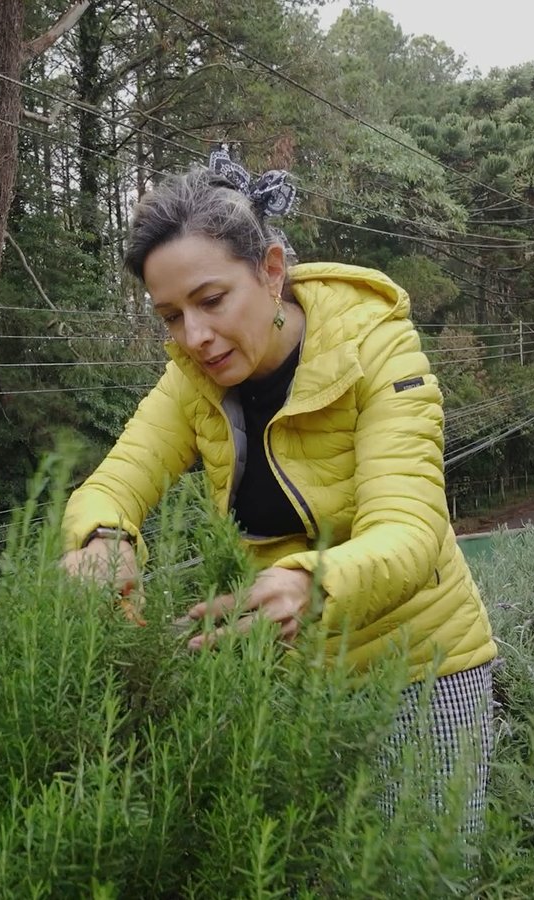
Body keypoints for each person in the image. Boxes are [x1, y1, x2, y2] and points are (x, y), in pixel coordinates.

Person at [60, 149, 499, 831]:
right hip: (284, 678)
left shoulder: (378, 349)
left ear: (270, 271)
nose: (195, 337)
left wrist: (307, 581)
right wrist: (104, 539)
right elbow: (114, 481)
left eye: (210, 301)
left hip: (418, 671)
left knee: (424, 871)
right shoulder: (191, 380)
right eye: (171, 316)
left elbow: (412, 533)